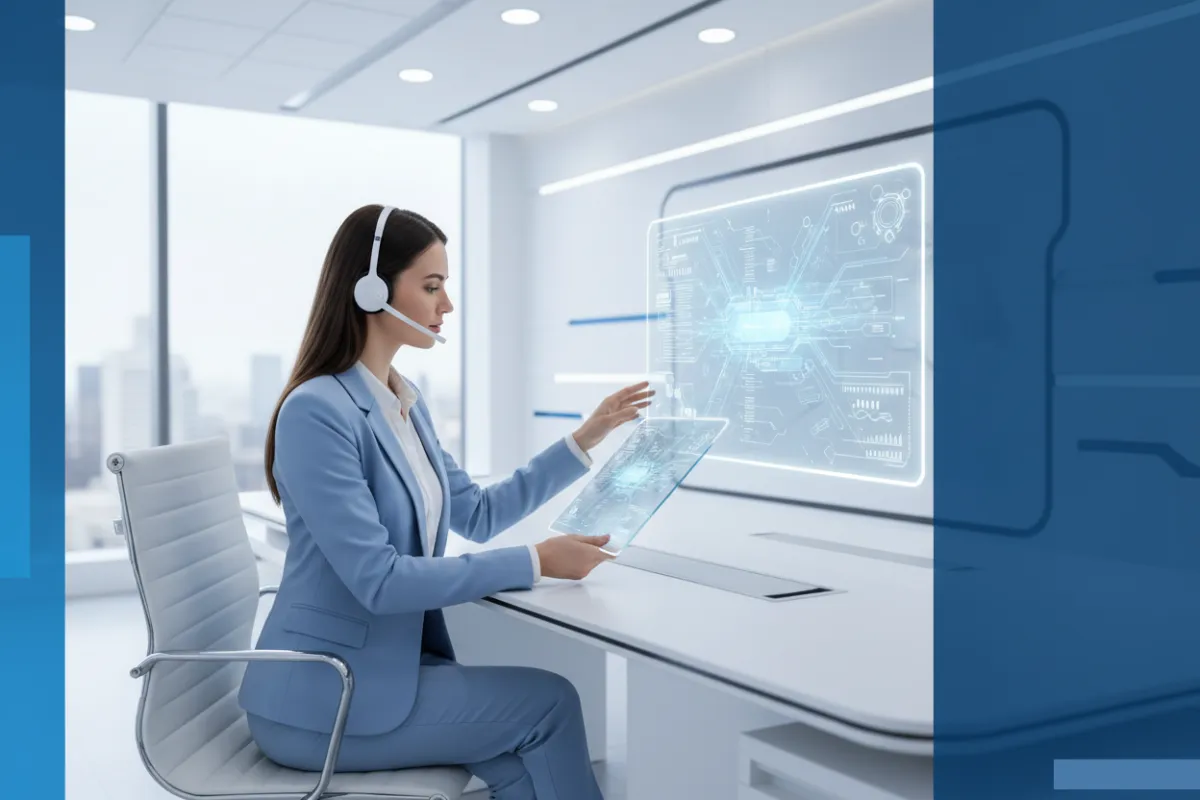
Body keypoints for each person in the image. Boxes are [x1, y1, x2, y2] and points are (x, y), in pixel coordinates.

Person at [237, 204, 652, 800]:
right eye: (431, 286)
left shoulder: (403, 399)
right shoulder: (317, 411)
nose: (446, 305)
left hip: (384, 673)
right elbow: (378, 580)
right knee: (550, 703)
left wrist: (585, 439)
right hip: (322, 700)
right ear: (372, 289)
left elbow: (477, 514)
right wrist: (535, 562)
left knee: (523, 764)